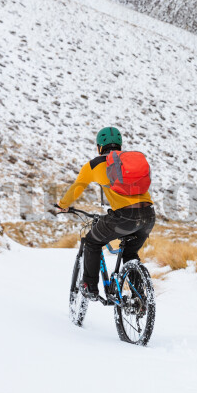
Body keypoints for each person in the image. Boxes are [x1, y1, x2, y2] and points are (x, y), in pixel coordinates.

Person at [54, 126, 155, 299]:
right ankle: (140, 298)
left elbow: (76, 189)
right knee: (130, 253)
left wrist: (63, 205)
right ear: (120, 146)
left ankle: (89, 286)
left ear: (99, 147)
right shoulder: (129, 163)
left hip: (124, 217)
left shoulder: (94, 165)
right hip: (148, 215)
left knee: (92, 242)